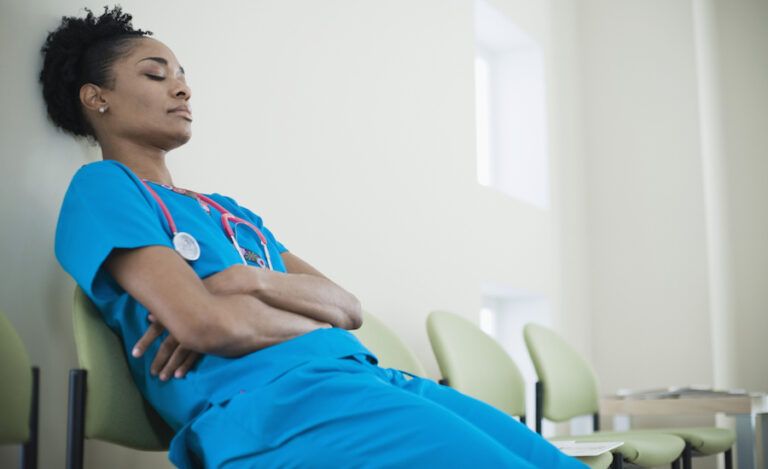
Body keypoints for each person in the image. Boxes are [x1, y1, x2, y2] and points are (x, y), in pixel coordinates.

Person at [43, 6, 586, 468]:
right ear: (98, 98)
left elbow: (348, 308)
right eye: (155, 75)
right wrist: (282, 316)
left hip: (364, 380)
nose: (182, 87)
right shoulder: (105, 188)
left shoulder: (226, 211)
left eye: (182, 74)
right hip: (270, 408)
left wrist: (242, 280)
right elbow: (205, 325)